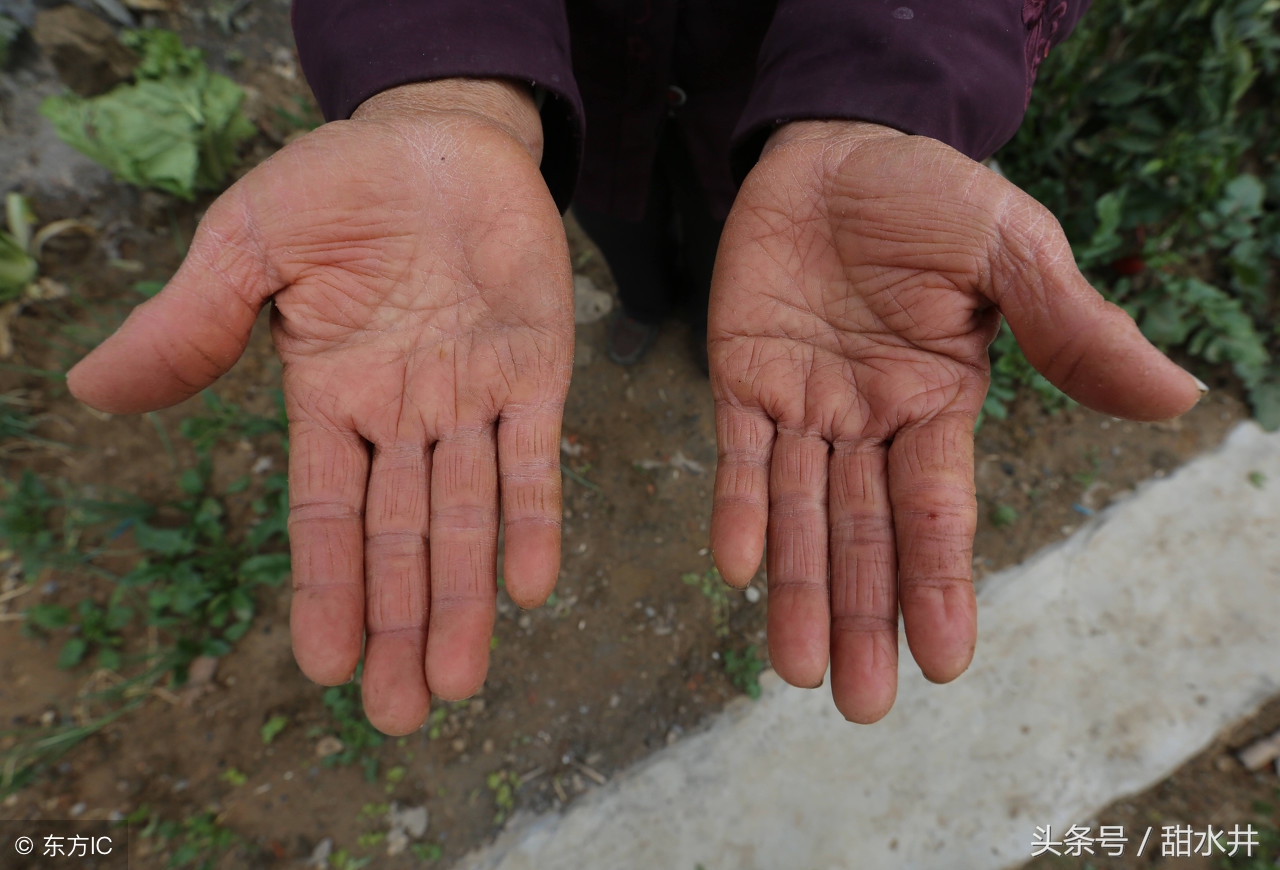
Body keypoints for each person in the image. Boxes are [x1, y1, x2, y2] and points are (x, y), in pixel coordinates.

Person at [65, 2, 1205, 737]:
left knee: (739, 260)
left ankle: (699, 314)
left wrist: (885, 87)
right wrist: (442, 77)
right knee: (615, 234)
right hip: (564, 97)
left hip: (788, 103)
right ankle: (649, 304)